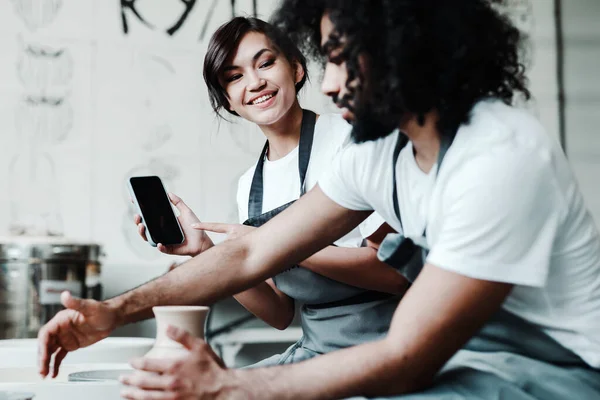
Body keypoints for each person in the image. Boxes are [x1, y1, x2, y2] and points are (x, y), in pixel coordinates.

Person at [39, 1, 600, 399]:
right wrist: (114, 312)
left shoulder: (499, 157)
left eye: (341, 57)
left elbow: (406, 357)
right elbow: (252, 256)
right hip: (459, 354)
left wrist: (230, 387)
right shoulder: (379, 150)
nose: (330, 86)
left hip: (554, 368)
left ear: (411, 48)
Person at [147, 16, 407, 367]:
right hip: (316, 350)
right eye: (235, 77)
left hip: (389, 344)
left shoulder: (350, 140)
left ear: (297, 69)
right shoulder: (249, 187)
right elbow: (279, 312)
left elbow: (393, 275)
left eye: (266, 63)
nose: (254, 82)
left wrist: (277, 244)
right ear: (228, 101)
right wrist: (207, 253)